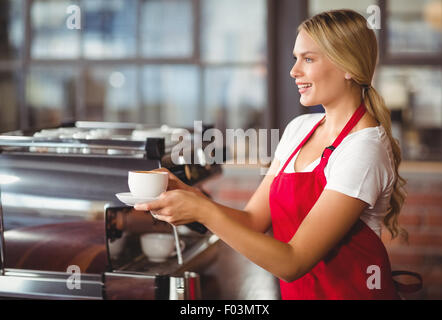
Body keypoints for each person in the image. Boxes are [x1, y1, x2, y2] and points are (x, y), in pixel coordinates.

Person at [134, 9, 408, 300]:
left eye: (309, 59)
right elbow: (253, 220)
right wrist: (187, 194)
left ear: (348, 66)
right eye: (295, 58)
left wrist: (202, 211)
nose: (294, 71)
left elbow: (293, 262)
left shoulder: (364, 149)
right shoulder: (299, 129)